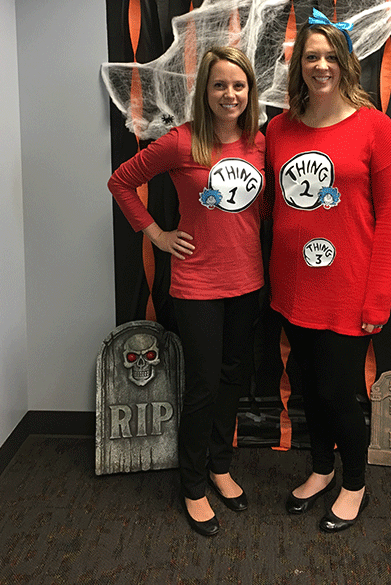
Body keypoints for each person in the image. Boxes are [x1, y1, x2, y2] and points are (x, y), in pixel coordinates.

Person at [108, 47, 265, 537]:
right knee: (203, 387)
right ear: (205, 92)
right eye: (219, 85)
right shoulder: (181, 142)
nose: (229, 94)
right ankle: (193, 484)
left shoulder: (260, 142)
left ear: (250, 91)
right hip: (197, 284)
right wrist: (156, 234)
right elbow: (121, 182)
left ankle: (220, 466)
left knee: (233, 377)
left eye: (238, 85)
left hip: (249, 281)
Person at [266, 9, 391, 533]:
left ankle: (354, 483)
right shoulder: (279, 129)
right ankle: (322, 468)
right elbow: (268, 204)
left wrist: (378, 300)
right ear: (299, 65)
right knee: (307, 386)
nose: (320, 65)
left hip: (348, 290)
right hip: (294, 287)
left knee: (338, 393)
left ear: (345, 63)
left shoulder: (376, 128)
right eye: (311, 56)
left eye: (330, 56)